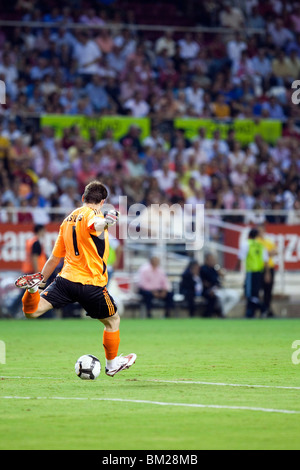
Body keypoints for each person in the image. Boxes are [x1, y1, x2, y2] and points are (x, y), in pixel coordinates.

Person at [15, 181, 137, 377]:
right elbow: (94, 224)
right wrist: (106, 220)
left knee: (33, 311)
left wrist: (41, 278)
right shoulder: (94, 214)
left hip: (66, 280)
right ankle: (112, 364)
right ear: (103, 201)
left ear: (83, 198)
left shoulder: (67, 220)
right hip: (91, 284)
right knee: (113, 321)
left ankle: (32, 290)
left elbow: (55, 257)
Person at [237, 228, 270, 318]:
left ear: (249, 235)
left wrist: (236, 268)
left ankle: (263, 308)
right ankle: (250, 312)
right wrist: (267, 273)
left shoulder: (246, 244)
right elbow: (266, 261)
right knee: (254, 293)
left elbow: (241, 257)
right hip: (260, 272)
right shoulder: (261, 245)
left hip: (251, 272)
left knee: (249, 294)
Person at [137, 254, 173, 318]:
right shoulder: (144, 270)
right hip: (147, 290)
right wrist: (153, 291)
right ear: (151, 261)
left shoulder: (160, 270)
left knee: (170, 294)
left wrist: (164, 290)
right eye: (155, 261)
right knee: (148, 295)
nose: (156, 262)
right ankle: (149, 314)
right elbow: (143, 283)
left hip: (158, 290)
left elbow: (165, 282)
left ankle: (167, 313)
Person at [257, 224, 278, 317]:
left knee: (268, 290)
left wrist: (266, 253)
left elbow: (275, 251)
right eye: (258, 231)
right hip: (259, 268)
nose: (260, 233)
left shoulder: (268, 241)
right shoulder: (256, 242)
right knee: (258, 290)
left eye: (261, 230)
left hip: (270, 267)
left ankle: (267, 309)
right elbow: (263, 254)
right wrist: (268, 253)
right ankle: (262, 309)